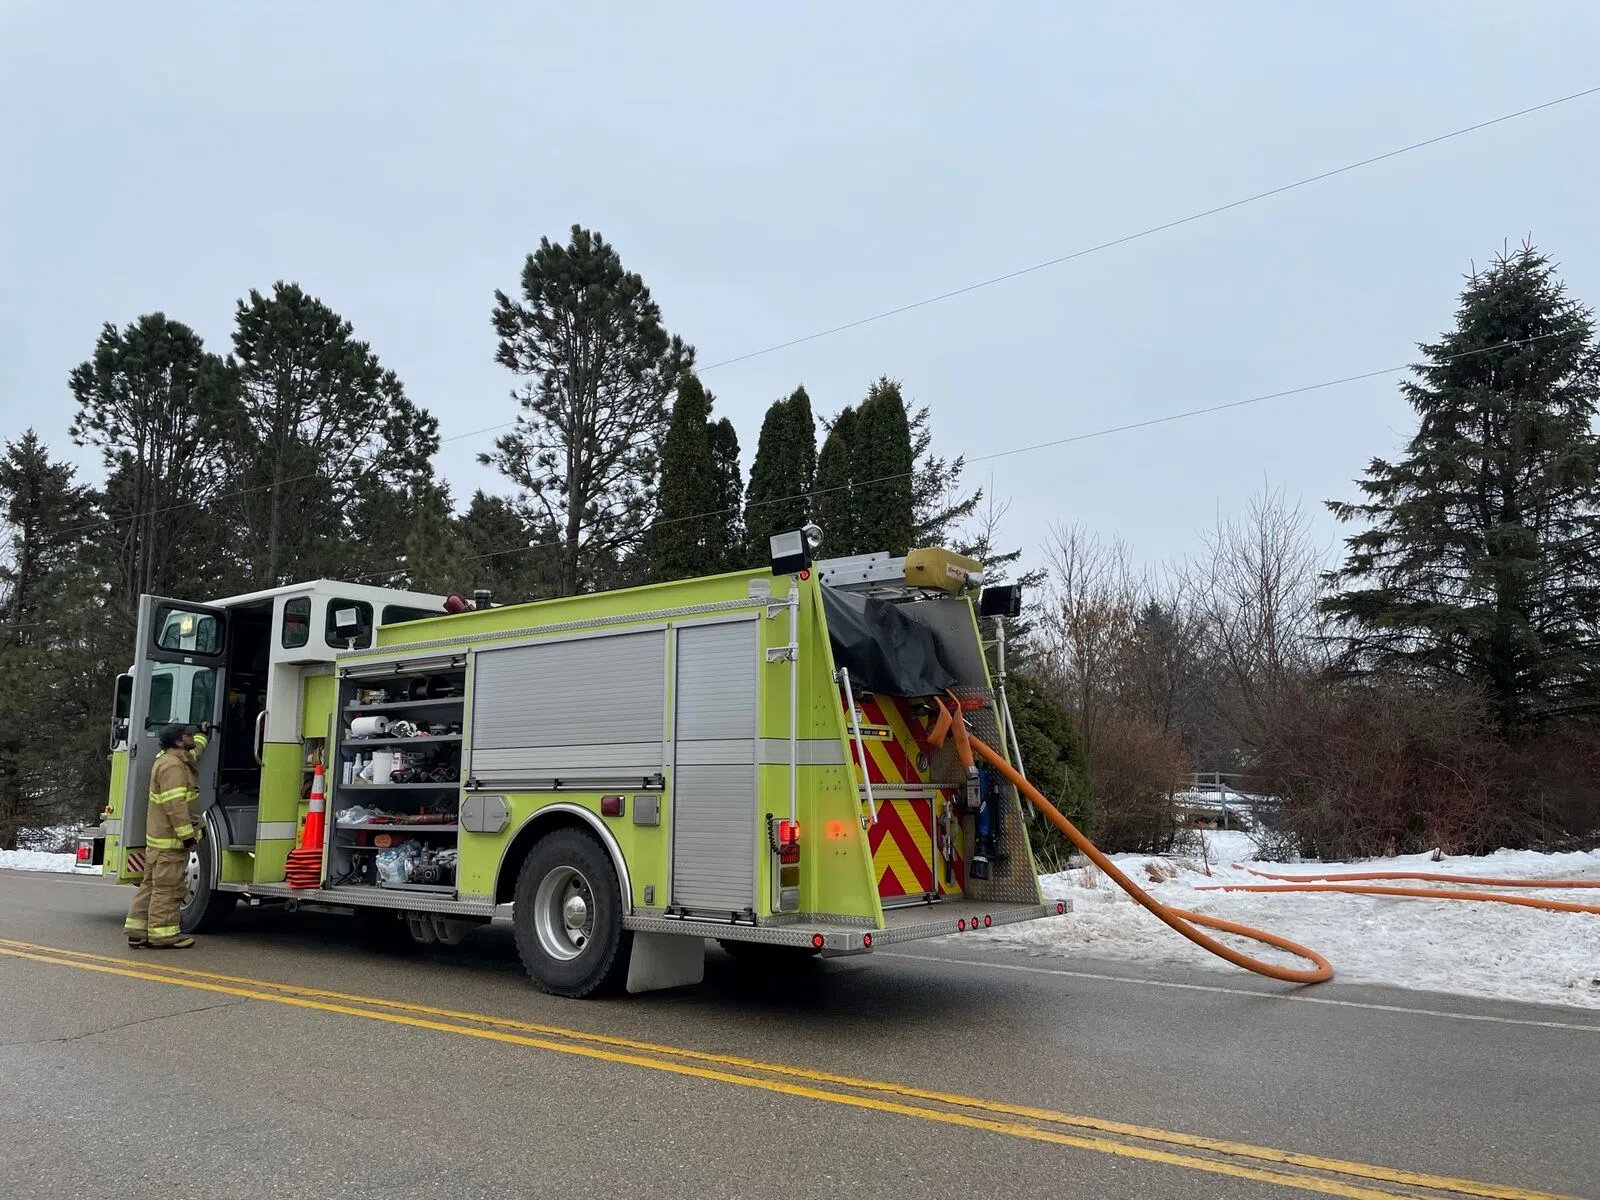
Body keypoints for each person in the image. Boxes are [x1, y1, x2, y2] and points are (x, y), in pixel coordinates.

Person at [124, 722, 210, 949]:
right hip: (170, 841)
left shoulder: (170, 758)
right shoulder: (173, 767)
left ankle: (137, 931)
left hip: (158, 840)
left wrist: (203, 735)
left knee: (150, 886)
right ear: (180, 741)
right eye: (189, 735)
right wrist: (188, 836)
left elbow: (195, 752)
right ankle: (164, 935)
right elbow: (176, 806)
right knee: (168, 889)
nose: (192, 738)